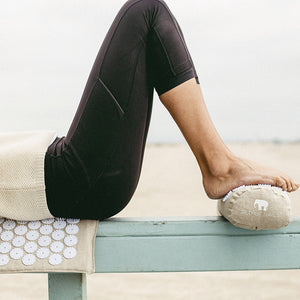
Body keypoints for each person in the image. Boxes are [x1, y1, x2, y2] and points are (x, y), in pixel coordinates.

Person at [44, 0, 299, 221]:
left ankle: (220, 163)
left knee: (147, 11)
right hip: (70, 180)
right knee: (146, 11)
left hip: (69, 176)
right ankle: (218, 165)